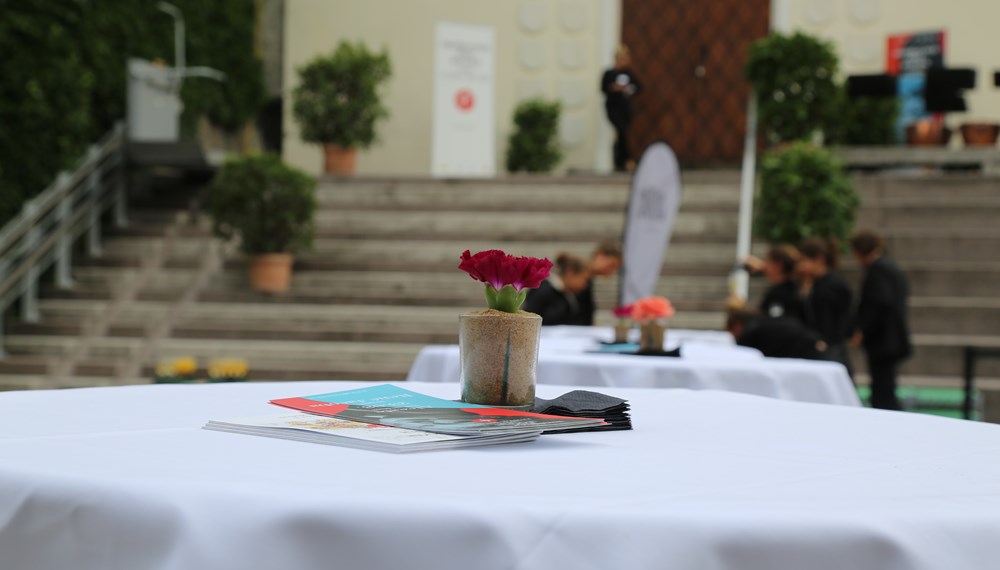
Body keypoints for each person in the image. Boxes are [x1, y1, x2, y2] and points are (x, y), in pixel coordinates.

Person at [850, 230, 912, 411]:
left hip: (883, 340)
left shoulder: (878, 270)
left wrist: (863, 330)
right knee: (885, 386)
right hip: (891, 338)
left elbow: (878, 303)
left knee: (883, 390)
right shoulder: (890, 268)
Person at [797, 237, 854, 377]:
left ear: (819, 259)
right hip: (823, 348)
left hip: (829, 350)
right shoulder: (815, 284)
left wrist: (826, 341)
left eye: (804, 260)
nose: (800, 266)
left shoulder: (831, 286)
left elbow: (836, 320)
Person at [725, 306, 829, 360]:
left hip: (806, 349)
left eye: (731, 332)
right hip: (812, 341)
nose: (733, 337)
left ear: (736, 325)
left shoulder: (750, 332)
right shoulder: (763, 321)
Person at [601, 45, 642, 172]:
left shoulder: (629, 74)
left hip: (625, 108)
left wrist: (628, 89)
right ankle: (628, 160)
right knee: (621, 130)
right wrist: (613, 88)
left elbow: (639, 88)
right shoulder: (609, 74)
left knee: (621, 134)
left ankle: (619, 162)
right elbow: (603, 89)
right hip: (613, 108)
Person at [523, 253, 592, 326]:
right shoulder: (543, 290)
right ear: (570, 272)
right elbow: (529, 319)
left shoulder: (570, 295)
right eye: (584, 280)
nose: (585, 285)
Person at [743, 244, 804, 321]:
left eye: (768, 262)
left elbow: (773, 321)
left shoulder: (778, 293)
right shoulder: (796, 287)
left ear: (778, 265)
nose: (765, 266)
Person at [576, 240, 623, 326]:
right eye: (611, 266)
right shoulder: (577, 278)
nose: (610, 272)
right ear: (600, 255)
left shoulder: (589, 281)